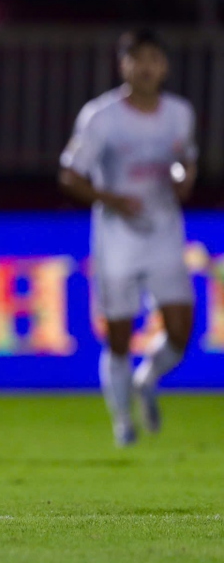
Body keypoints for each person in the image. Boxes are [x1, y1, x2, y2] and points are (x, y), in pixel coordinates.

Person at [60, 28, 197, 447]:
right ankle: (123, 422)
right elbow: (70, 174)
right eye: (138, 58)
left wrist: (183, 179)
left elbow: (184, 162)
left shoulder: (179, 113)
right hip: (117, 237)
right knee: (118, 335)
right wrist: (110, 198)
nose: (147, 67)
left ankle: (147, 379)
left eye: (154, 58)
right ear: (124, 65)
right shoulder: (102, 117)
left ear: (165, 67)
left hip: (163, 232)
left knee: (179, 333)